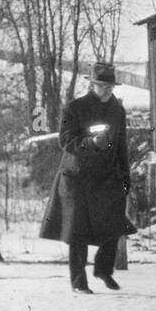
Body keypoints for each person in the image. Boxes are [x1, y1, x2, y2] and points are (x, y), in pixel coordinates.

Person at [40, 62, 137, 293]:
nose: (107, 91)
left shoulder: (117, 110)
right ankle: (78, 281)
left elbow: (121, 145)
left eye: (110, 87)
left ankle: (103, 270)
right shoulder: (75, 108)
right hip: (78, 178)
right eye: (102, 86)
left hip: (107, 176)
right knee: (78, 232)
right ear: (92, 85)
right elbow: (64, 141)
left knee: (114, 224)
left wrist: (125, 177)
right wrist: (89, 143)